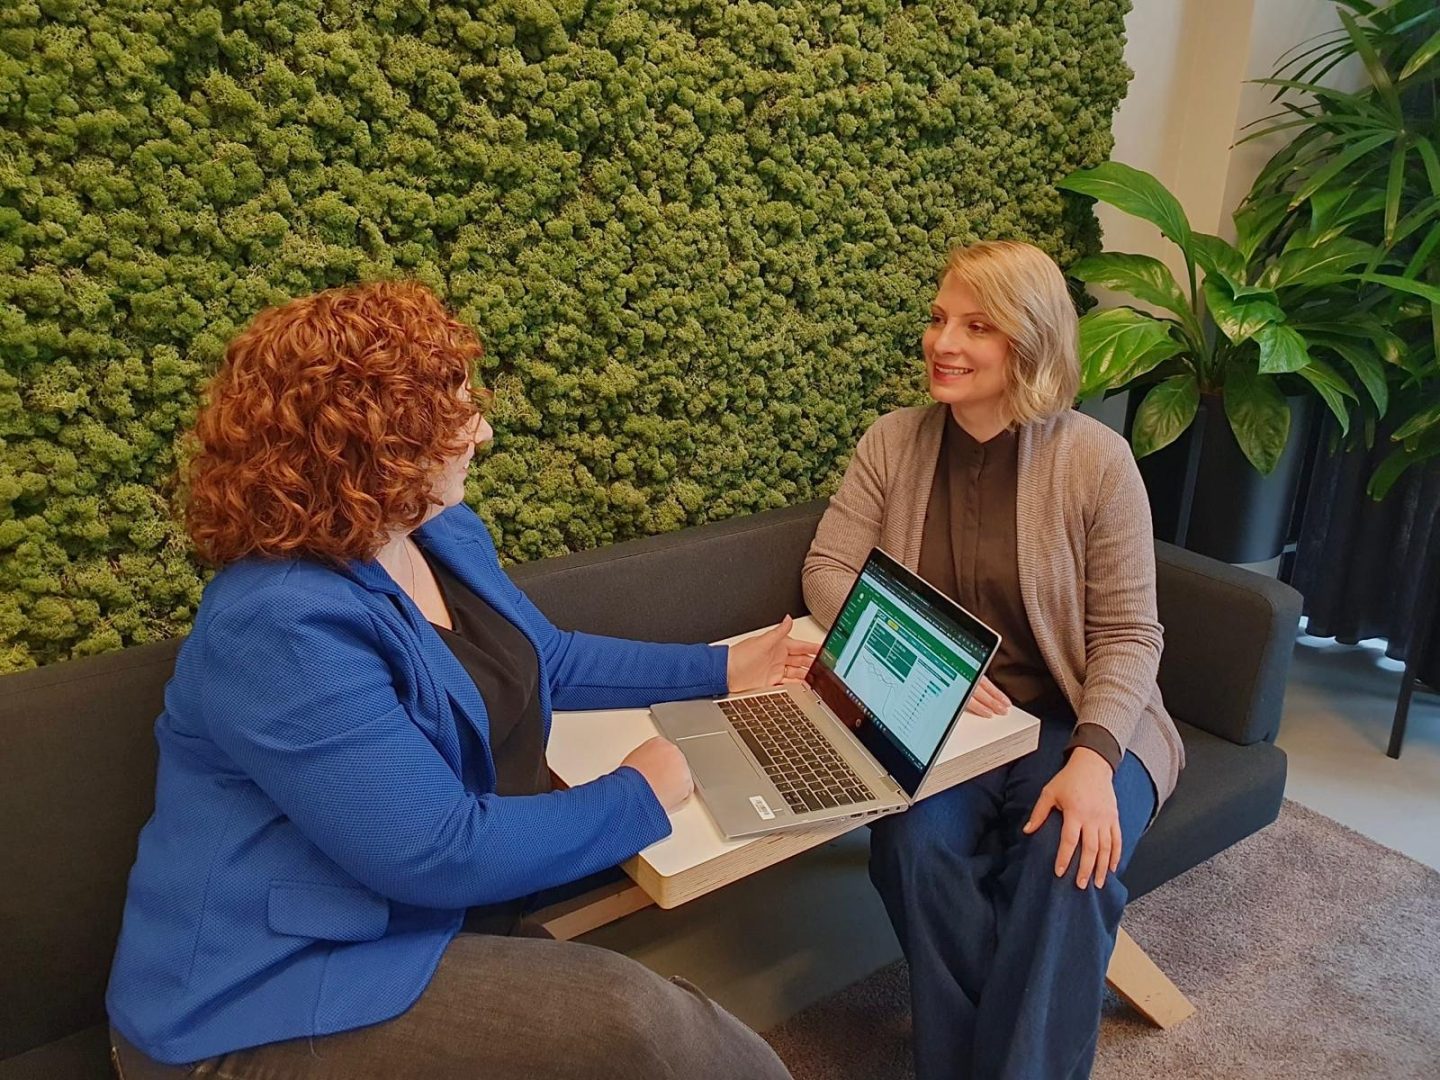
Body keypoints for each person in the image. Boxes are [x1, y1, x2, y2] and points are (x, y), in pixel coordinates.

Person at [106, 281, 812, 1079]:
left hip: (424, 924)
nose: (480, 431)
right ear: (365, 445)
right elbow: (437, 850)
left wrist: (724, 667)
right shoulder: (276, 621)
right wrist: (639, 792)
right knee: (643, 1023)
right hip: (263, 995)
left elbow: (548, 657)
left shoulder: (436, 531)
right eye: (453, 416)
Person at [802, 240, 1184, 1079]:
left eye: (977, 325)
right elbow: (827, 570)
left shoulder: (1096, 461)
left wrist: (1093, 760)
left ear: (1031, 342)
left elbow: (1130, 633)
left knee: (1067, 862)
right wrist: (922, 652)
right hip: (944, 719)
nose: (943, 342)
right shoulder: (893, 443)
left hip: (1078, 719)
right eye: (939, 319)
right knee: (910, 850)